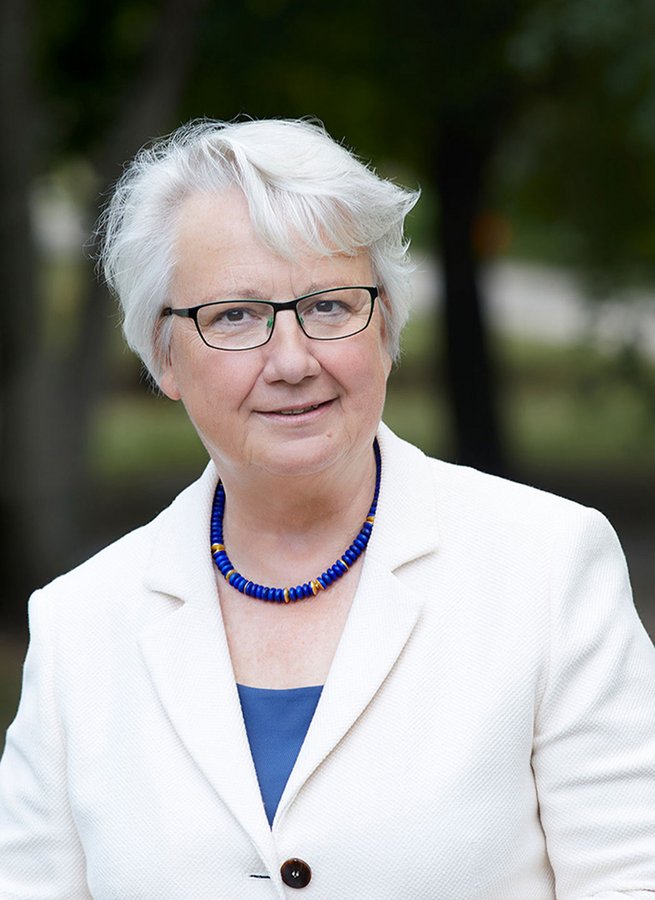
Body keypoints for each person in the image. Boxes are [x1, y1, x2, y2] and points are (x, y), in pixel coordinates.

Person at [0, 118, 654, 900]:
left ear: (385, 325)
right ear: (164, 355)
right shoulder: (78, 626)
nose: (291, 361)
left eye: (329, 306)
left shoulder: (548, 567)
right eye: (234, 315)